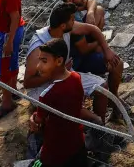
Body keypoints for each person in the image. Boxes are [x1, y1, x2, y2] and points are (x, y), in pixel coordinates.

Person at [27, 38, 100, 167]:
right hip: (77, 144)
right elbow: (76, 106)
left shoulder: (47, 95)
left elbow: (37, 123)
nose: (38, 66)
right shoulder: (76, 78)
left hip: (55, 153)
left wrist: (32, 118)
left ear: (59, 61)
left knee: (36, 161)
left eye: (44, 61)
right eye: (39, 60)